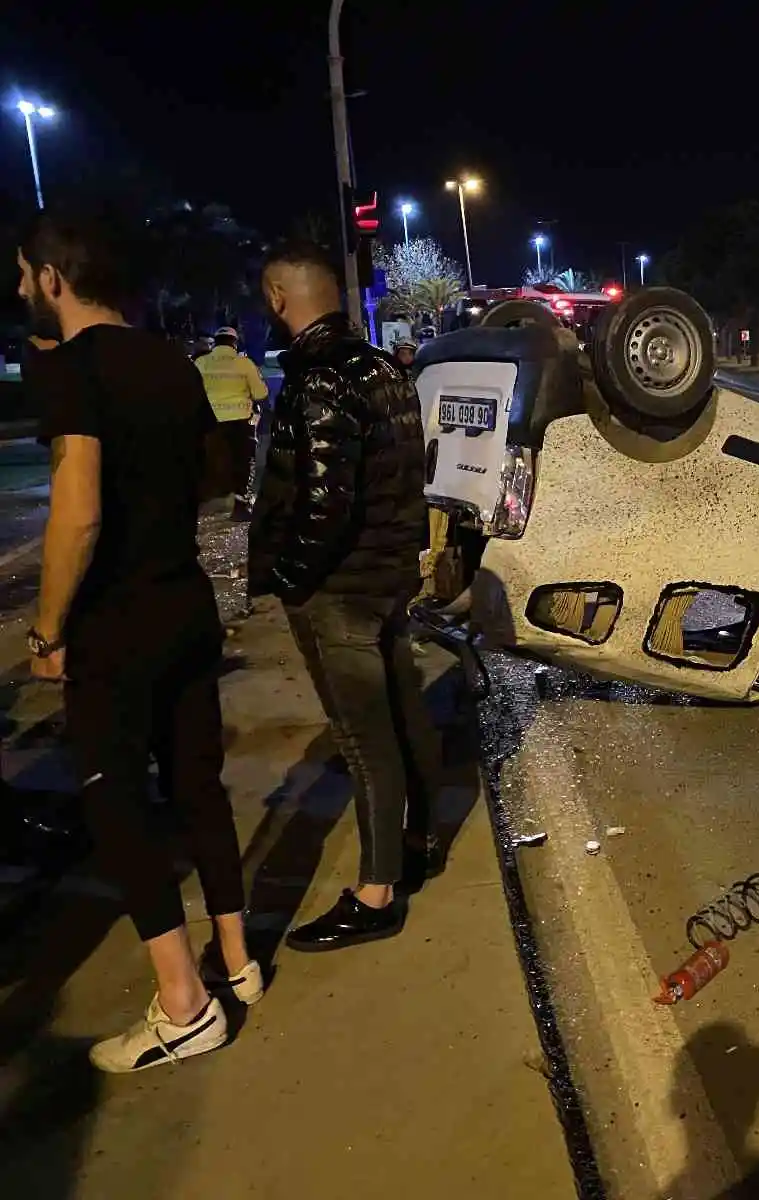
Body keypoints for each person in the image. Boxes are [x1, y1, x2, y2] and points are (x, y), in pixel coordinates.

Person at [17, 207, 260, 1073]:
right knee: (198, 781)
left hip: (116, 620)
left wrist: (48, 629)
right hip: (184, 601)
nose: (19, 290)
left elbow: (76, 508)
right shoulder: (171, 360)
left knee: (114, 802)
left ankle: (185, 1004)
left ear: (54, 277)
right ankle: (236, 960)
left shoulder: (71, 368)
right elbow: (209, 473)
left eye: (23, 274)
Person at [250, 240, 442, 952]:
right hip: (385, 579)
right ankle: (412, 849)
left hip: (342, 590)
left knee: (365, 744)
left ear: (279, 297)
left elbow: (324, 503)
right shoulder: (382, 370)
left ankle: (376, 892)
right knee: (401, 721)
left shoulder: (321, 376)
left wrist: (292, 578)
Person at [194, 325, 269, 520]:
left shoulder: (201, 363)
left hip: (209, 422)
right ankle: (241, 507)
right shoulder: (243, 363)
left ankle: (205, 504)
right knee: (243, 463)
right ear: (234, 343)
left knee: (207, 462)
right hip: (239, 422)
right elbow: (261, 393)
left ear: (216, 343)